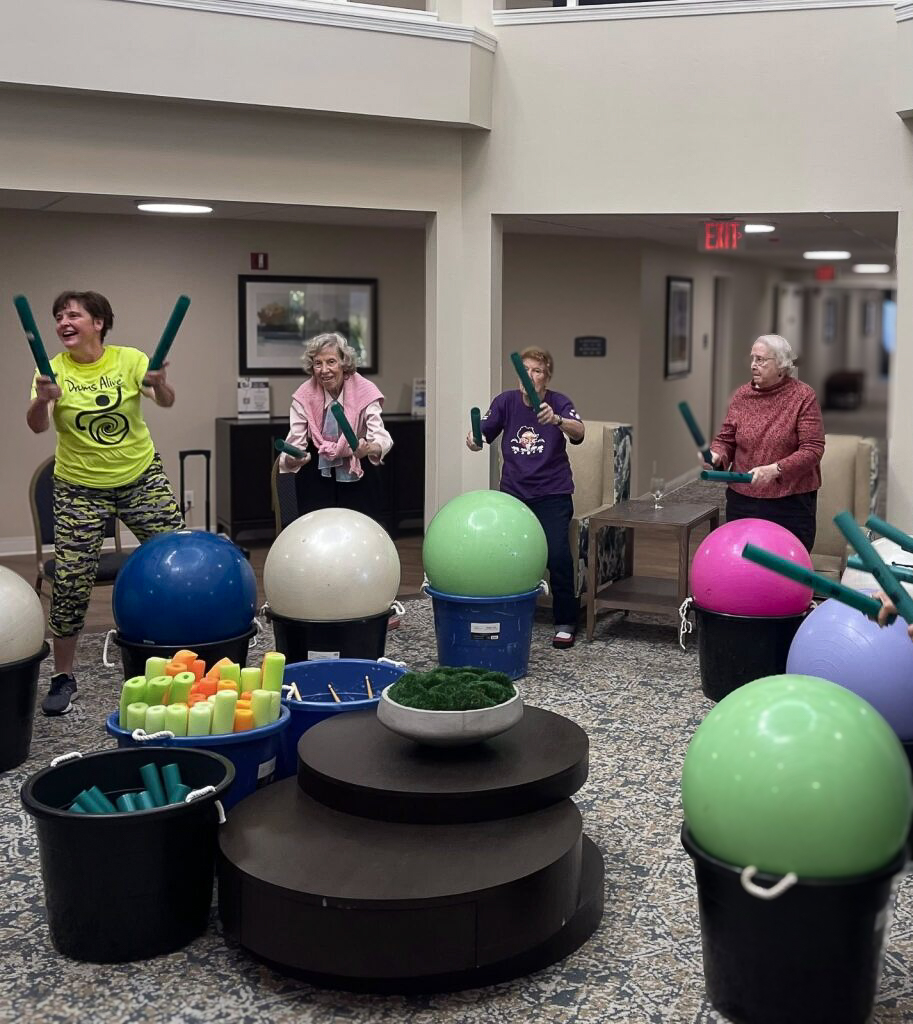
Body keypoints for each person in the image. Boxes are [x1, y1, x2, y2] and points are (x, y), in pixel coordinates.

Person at [26, 290, 184, 716]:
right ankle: (63, 676)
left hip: (139, 478)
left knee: (178, 560)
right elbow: (38, 426)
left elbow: (165, 401)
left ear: (98, 322)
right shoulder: (51, 369)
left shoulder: (129, 360)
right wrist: (44, 400)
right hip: (79, 486)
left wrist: (160, 383)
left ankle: (185, 656)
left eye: (73, 314)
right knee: (72, 580)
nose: (63, 321)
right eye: (58, 315)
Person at [466, 347, 585, 649]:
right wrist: (474, 439)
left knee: (557, 555)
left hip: (552, 494)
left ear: (547, 377)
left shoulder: (558, 402)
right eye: (525, 370)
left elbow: (579, 432)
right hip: (513, 495)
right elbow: (482, 434)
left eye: (537, 371)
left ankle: (566, 621)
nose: (529, 376)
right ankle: (508, 612)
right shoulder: (506, 401)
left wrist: (556, 420)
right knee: (506, 556)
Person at [706, 334, 824, 552]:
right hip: (743, 496)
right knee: (740, 561)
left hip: (789, 500)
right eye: (752, 359)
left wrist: (776, 470)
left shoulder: (803, 396)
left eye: (760, 360)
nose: (753, 365)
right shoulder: (742, 395)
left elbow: (813, 449)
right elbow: (726, 439)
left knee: (784, 567)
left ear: (781, 365)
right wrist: (716, 454)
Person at [279, 333, 392, 523]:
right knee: (317, 529)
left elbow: (380, 437)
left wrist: (368, 448)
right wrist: (293, 458)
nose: (324, 370)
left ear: (344, 363)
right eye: (318, 363)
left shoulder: (365, 390)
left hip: (358, 467)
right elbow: (295, 442)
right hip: (316, 469)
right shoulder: (303, 395)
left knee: (359, 528)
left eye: (331, 361)